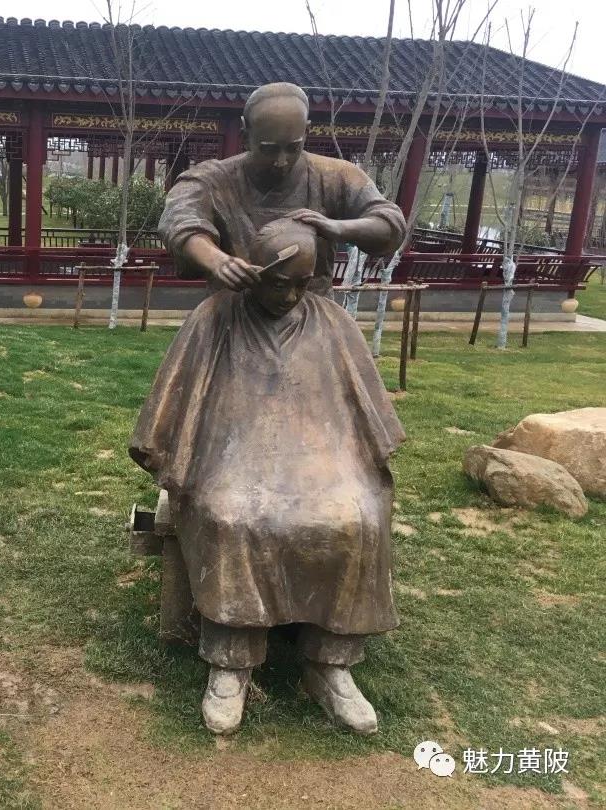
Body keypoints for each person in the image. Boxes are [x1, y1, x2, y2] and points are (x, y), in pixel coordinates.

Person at [129, 216, 406, 736]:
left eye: (303, 283)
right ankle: (230, 664)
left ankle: (331, 664)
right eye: (279, 283)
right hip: (230, 456)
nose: (291, 295)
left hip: (322, 456)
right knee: (232, 515)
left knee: (359, 517)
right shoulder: (215, 316)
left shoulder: (333, 322)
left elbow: (366, 410)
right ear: (254, 273)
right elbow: (172, 405)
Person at [159, 81, 406, 296]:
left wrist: (337, 228)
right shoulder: (211, 180)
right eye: (268, 149)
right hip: (231, 312)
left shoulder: (336, 176)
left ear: (307, 131)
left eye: (292, 148)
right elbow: (180, 223)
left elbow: (391, 223)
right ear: (245, 136)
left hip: (312, 315)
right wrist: (218, 261)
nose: (281, 161)